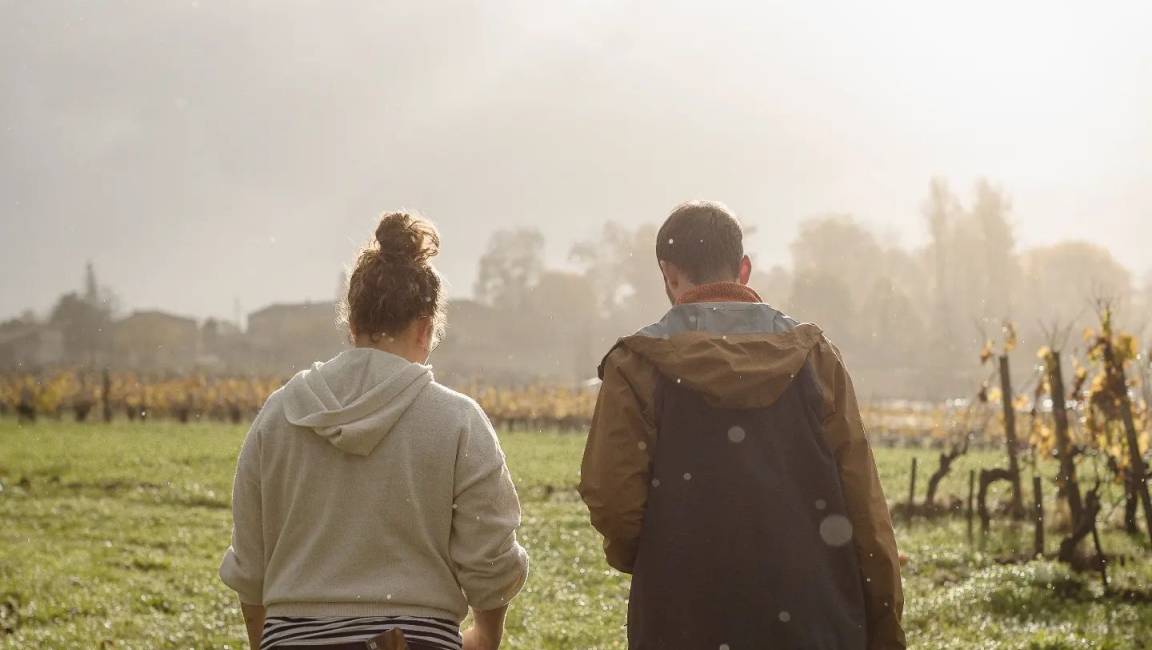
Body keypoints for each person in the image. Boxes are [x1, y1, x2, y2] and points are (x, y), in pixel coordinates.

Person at [579, 201, 905, 649]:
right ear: (744, 269)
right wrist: (884, 626)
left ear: (669, 274)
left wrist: (665, 555)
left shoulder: (636, 366)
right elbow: (864, 504)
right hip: (815, 612)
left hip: (682, 618)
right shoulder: (814, 357)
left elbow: (614, 501)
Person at [220, 212, 529, 650]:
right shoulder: (458, 420)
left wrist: (265, 640)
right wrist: (485, 637)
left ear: (351, 326)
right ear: (425, 329)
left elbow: (250, 566)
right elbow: (490, 558)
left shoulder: (279, 414)